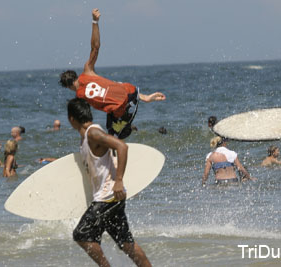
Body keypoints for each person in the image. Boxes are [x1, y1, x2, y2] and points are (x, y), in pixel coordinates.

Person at [68, 98, 151, 267]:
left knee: (81, 234)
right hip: (111, 197)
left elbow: (122, 147)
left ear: (72, 119)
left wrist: (118, 180)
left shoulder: (93, 133)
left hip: (107, 197)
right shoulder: (86, 137)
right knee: (127, 245)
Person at [59, 8, 165, 139]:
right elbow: (95, 47)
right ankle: (126, 127)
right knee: (112, 128)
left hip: (124, 106)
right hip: (130, 94)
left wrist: (84, 137)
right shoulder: (88, 71)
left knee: (113, 138)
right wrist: (94, 22)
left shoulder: (80, 96)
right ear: (75, 75)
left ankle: (124, 132)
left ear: (68, 87)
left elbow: (85, 120)